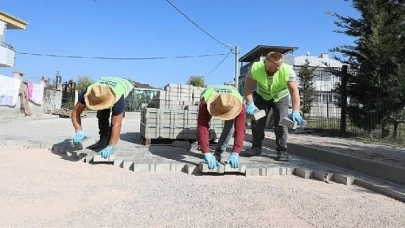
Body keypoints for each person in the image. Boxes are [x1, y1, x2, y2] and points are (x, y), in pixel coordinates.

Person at [241, 52, 303, 161]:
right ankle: (256, 147)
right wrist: (250, 103)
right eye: (270, 67)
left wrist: (296, 110)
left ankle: (282, 150)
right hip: (261, 96)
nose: (272, 70)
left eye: (276, 68)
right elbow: (248, 87)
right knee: (257, 121)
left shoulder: (288, 70)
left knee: (281, 122)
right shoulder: (255, 67)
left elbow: (294, 91)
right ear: (265, 62)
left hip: (280, 97)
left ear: (281, 65)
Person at [70, 77, 134, 158]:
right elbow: (75, 113)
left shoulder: (118, 95)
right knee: (102, 114)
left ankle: (109, 144)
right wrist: (79, 130)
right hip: (106, 88)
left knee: (116, 119)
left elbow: (117, 125)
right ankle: (103, 140)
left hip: (123, 87)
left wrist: (111, 146)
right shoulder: (90, 92)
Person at [197, 85, 246, 169]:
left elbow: (240, 130)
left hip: (231, 102)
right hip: (213, 101)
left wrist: (235, 152)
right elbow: (202, 127)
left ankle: (218, 153)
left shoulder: (240, 106)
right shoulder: (205, 102)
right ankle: (203, 147)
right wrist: (206, 152)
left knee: (230, 126)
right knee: (203, 126)